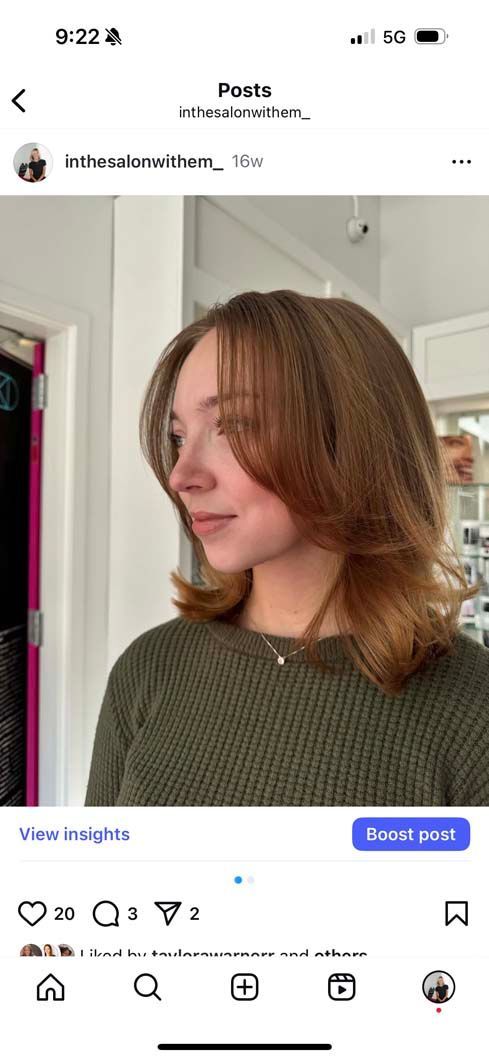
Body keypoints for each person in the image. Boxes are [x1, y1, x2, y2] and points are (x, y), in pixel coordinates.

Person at [85, 290, 489, 807]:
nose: (181, 475)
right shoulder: (148, 669)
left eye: (232, 425)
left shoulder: (472, 709)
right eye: (179, 435)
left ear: (350, 437)